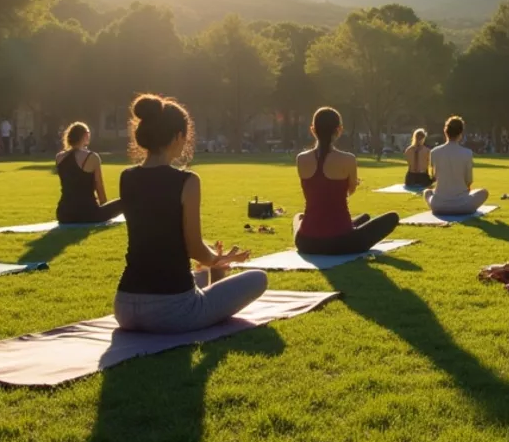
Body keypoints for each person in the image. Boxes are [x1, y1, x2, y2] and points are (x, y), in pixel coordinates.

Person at [114, 94, 267, 333]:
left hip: (125, 307)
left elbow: (162, 232)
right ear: (177, 137)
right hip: (171, 311)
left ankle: (213, 278)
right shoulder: (188, 181)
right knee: (258, 278)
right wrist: (219, 260)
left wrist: (212, 259)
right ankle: (216, 279)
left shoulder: (126, 177)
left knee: (202, 274)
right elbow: (195, 249)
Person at [294, 107, 400, 255]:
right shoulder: (348, 159)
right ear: (339, 130)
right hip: (341, 242)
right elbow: (349, 191)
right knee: (392, 217)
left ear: (313, 129)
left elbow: (315, 192)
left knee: (298, 217)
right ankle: (352, 226)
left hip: (306, 242)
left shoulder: (301, 158)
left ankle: (352, 224)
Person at [54, 122, 124, 224]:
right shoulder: (92, 157)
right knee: (124, 202)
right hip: (87, 213)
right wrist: (104, 209)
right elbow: (99, 186)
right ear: (86, 136)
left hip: (64, 214)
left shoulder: (59, 157)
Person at [424, 116, 488, 214]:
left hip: (438, 205)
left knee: (427, 192)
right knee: (484, 192)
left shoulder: (434, 152)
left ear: (445, 132)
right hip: (462, 205)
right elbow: (469, 180)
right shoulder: (467, 153)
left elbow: (434, 176)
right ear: (460, 134)